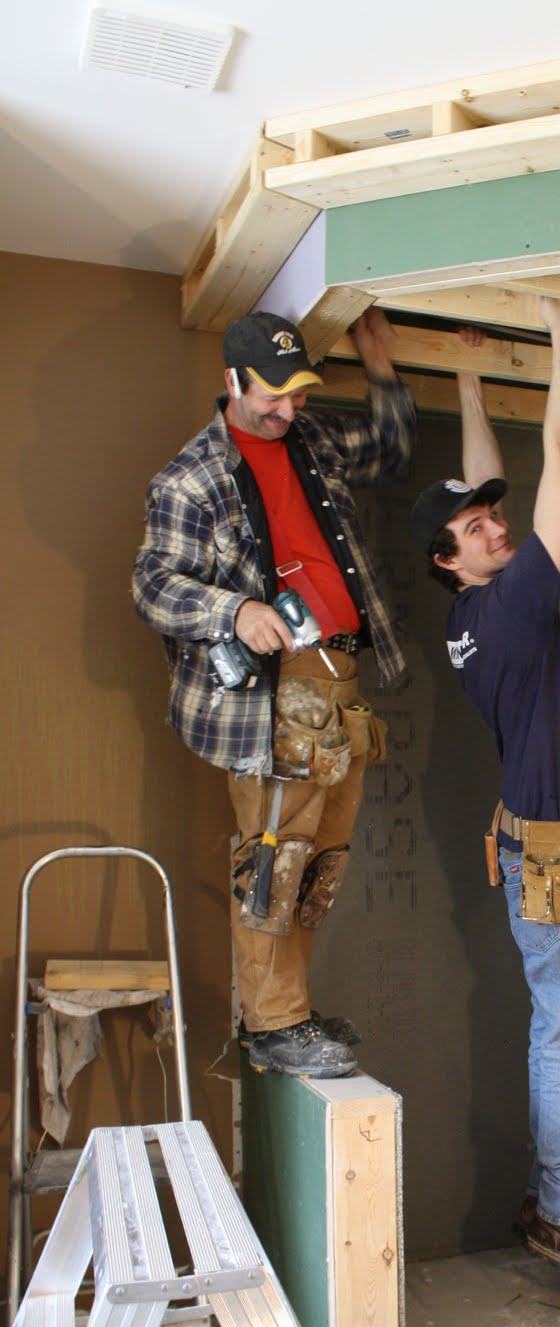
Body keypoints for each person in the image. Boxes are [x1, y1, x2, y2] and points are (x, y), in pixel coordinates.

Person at [410, 301, 560, 1291]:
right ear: (447, 560)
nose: (496, 527)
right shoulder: (511, 606)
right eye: (476, 527)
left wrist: (467, 386)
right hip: (549, 856)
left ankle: (555, 1198)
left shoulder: (473, 612)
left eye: (493, 516)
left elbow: (489, 486)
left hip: (534, 846)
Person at [133, 308, 415, 1078]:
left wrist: (379, 360)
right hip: (273, 691)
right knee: (275, 859)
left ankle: (285, 1012)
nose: (287, 409)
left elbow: (389, 445)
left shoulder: (311, 440)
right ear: (232, 381)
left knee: (319, 861)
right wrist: (236, 609)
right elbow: (153, 586)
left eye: (297, 393)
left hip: (341, 679)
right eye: (272, 395)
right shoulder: (190, 478)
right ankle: (273, 1021)